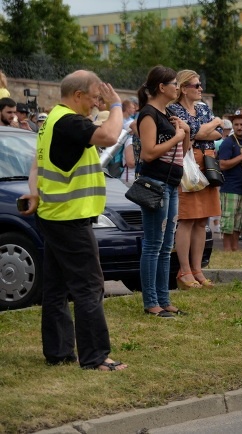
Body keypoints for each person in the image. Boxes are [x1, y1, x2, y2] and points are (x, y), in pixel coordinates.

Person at [19, 70, 127, 371]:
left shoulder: (50, 121)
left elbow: (36, 167)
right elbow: (109, 135)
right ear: (77, 95)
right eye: (94, 98)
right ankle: (95, 357)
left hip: (53, 215)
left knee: (55, 288)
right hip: (70, 218)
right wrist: (116, 105)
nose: (97, 104)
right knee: (89, 287)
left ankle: (58, 352)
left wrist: (35, 195)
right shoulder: (68, 121)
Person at [137, 65, 191, 317]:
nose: (178, 88)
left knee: (166, 243)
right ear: (162, 87)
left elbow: (184, 150)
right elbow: (148, 153)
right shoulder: (148, 115)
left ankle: (164, 299)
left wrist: (186, 132)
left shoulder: (167, 113)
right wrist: (176, 137)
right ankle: (151, 302)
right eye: (174, 84)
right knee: (153, 244)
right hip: (155, 184)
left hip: (171, 183)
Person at [168, 70, 222, 289]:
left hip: (207, 163)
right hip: (188, 163)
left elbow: (217, 134)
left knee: (202, 220)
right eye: (196, 85)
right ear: (183, 88)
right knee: (187, 218)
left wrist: (203, 129)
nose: (200, 89)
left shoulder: (202, 107)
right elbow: (193, 134)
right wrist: (212, 124)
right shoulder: (173, 108)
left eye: (200, 85)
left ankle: (198, 269)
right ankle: (184, 270)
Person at [219, 109, 242, 251]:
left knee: (240, 221)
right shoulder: (228, 142)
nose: (239, 127)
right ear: (232, 125)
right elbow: (222, 164)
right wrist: (241, 158)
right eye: (236, 124)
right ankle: (227, 249)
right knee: (228, 221)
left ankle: (235, 249)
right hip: (230, 187)